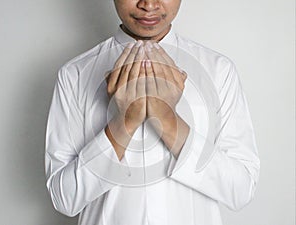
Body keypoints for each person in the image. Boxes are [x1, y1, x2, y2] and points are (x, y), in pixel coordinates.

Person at [45, 0, 260, 225]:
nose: (148, 4)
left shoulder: (218, 71)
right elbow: (64, 199)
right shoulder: (74, 75)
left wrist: (168, 120)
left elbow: (241, 190)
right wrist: (126, 121)